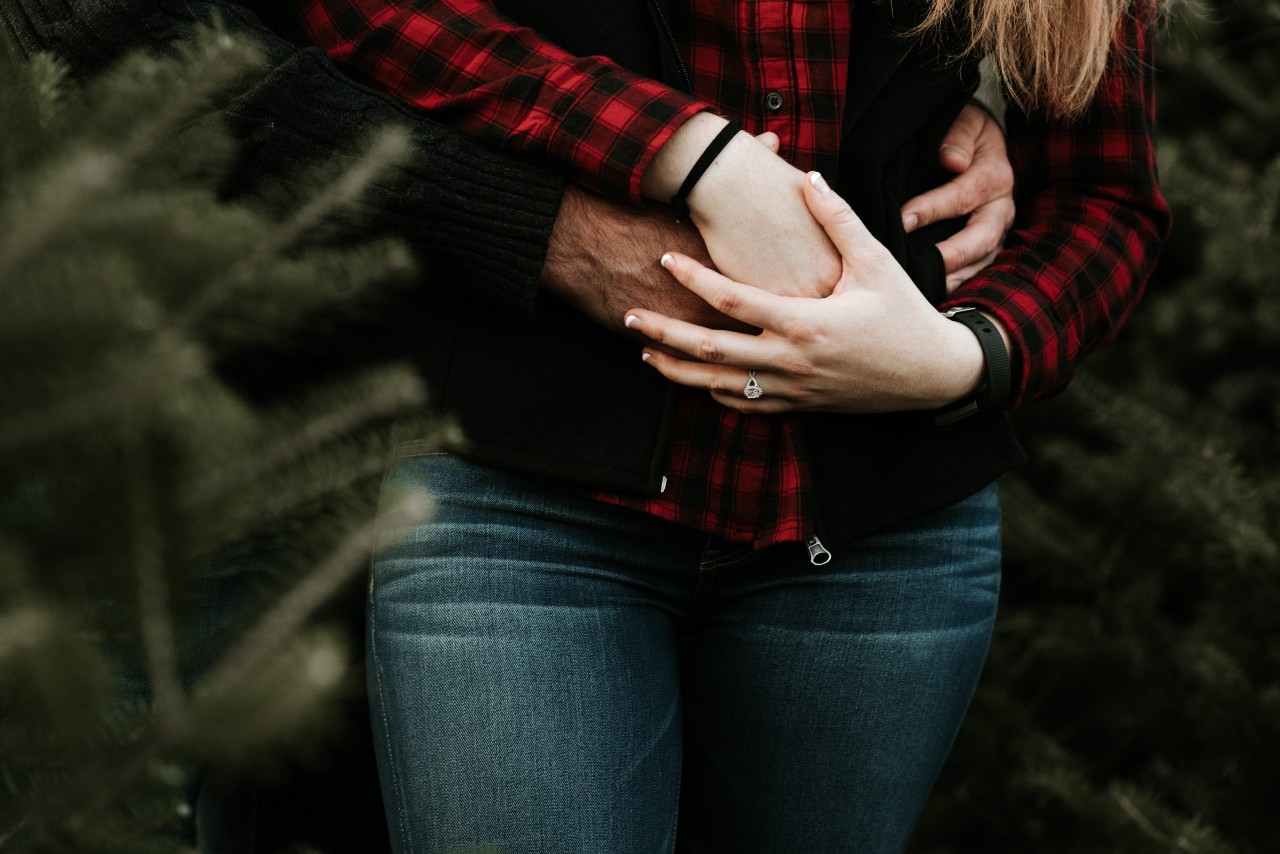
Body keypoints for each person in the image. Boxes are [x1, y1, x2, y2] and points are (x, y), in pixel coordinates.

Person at [0, 1, 1019, 850]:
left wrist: (939, 97)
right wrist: (599, 214)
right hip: (205, 402)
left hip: (494, 415)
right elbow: (110, 25)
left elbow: (1093, 159)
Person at [279, 0, 1168, 851]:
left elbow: (1102, 196)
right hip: (524, 503)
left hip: (884, 541)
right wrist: (687, 154)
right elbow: (374, 15)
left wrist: (966, 358)